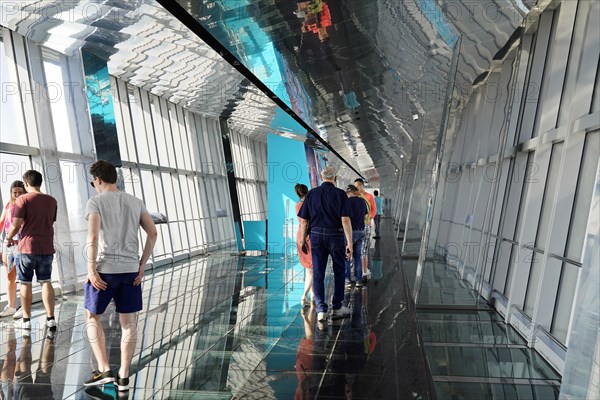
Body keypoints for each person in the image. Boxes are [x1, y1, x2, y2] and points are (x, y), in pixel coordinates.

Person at [83, 160, 157, 391]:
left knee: (92, 318)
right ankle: (124, 377)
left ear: (98, 180)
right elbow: (153, 232)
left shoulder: (95, 201)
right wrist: (142, 264)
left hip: (105, 271)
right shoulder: (135, 201)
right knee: (129, 323)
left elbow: (93, 238)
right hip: (131, 271)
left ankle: (104, 369)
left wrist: (91, 269)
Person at [298, 166, 353, 323]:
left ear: (322, 178)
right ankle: (336, 307)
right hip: (335, 235)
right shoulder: (341, 194)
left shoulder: (312, 194)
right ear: (335, 178)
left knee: (318, 272)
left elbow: (304, 221)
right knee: (339, 270)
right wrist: (349, 243)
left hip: (315, 236)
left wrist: (302, 240)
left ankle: (321, 309)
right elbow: (345, 220)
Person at [6, 170, 57, 333]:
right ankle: (50, 320)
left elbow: (15, 225)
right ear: (40, 182)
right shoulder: (52, 201)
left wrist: (8, 237)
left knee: (25, 283)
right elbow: (50, 221)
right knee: (46, 281)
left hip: (27, 248)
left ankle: (26, 320)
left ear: (26, 184)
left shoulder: (23, 199)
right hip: (46, 247)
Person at [0, 181, 25, 318]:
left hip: (21, 244)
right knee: (9, 276)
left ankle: (23, 306)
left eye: (20, 192)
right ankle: (11, 306)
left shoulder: (27, 205)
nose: (17, 195)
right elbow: (2, 222)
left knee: (22, 277)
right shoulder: (8, 205)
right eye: (14, 192)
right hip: (8, 245)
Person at [295, 184, 314, 307]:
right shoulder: (311, 205)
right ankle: (304, 296)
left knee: (309, 269)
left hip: (300, 236)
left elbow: (301, 223)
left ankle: (312, 294)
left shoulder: (297, 205)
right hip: (308, 237)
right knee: (311, 270)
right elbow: (305, 223)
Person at [344, 185, 367, 287]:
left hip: (349, 232)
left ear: (350, 192)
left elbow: (344, 218)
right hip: (360, 231)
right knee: (357, 256)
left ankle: (347, 279)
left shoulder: (346, 202)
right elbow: (365, 215)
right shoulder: (362, 201)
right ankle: (358, 280)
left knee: (347, 256)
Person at [353, 179, 376, 280]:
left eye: (358, 186)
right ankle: (360, 270)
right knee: (358, 249)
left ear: (362, 186)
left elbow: (373, 210)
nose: (356, 188)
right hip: (356, 226)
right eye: (355, 186)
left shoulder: (369, 197)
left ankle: (364, 269)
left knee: (364, 249)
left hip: (365, 225)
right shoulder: (355, 197)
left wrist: (368, 218)